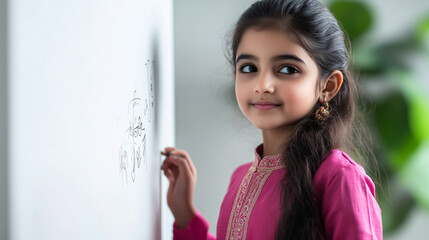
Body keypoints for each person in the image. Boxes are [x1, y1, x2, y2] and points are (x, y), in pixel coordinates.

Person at [160, 0, 383, 239]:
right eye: (248, 68)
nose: (262, 85)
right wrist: (185, 215)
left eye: (287, 69)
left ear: (327, 86)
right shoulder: (241, 177)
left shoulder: (338, 176)